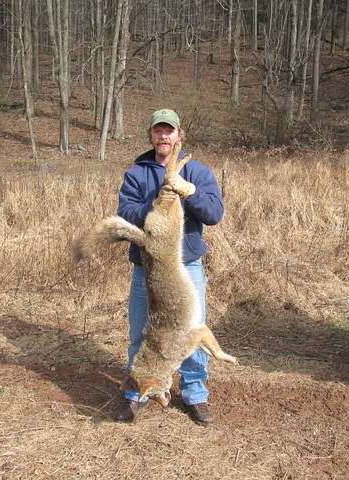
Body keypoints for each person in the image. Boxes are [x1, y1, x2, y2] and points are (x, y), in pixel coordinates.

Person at [114, 108, 224, 425]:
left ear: (179, 135)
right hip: (147, 269)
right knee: (141, 334)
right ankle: (136, 393)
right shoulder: (137, 174)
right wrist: (157, 204)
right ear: (151, 135)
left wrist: (189, 192)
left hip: (186, 267)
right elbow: (125, 212)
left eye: (169, 131)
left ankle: (195, 394)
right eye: (158, 130)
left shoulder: (198, 171)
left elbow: (214, 214)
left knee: (191, 333)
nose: (163, 136)